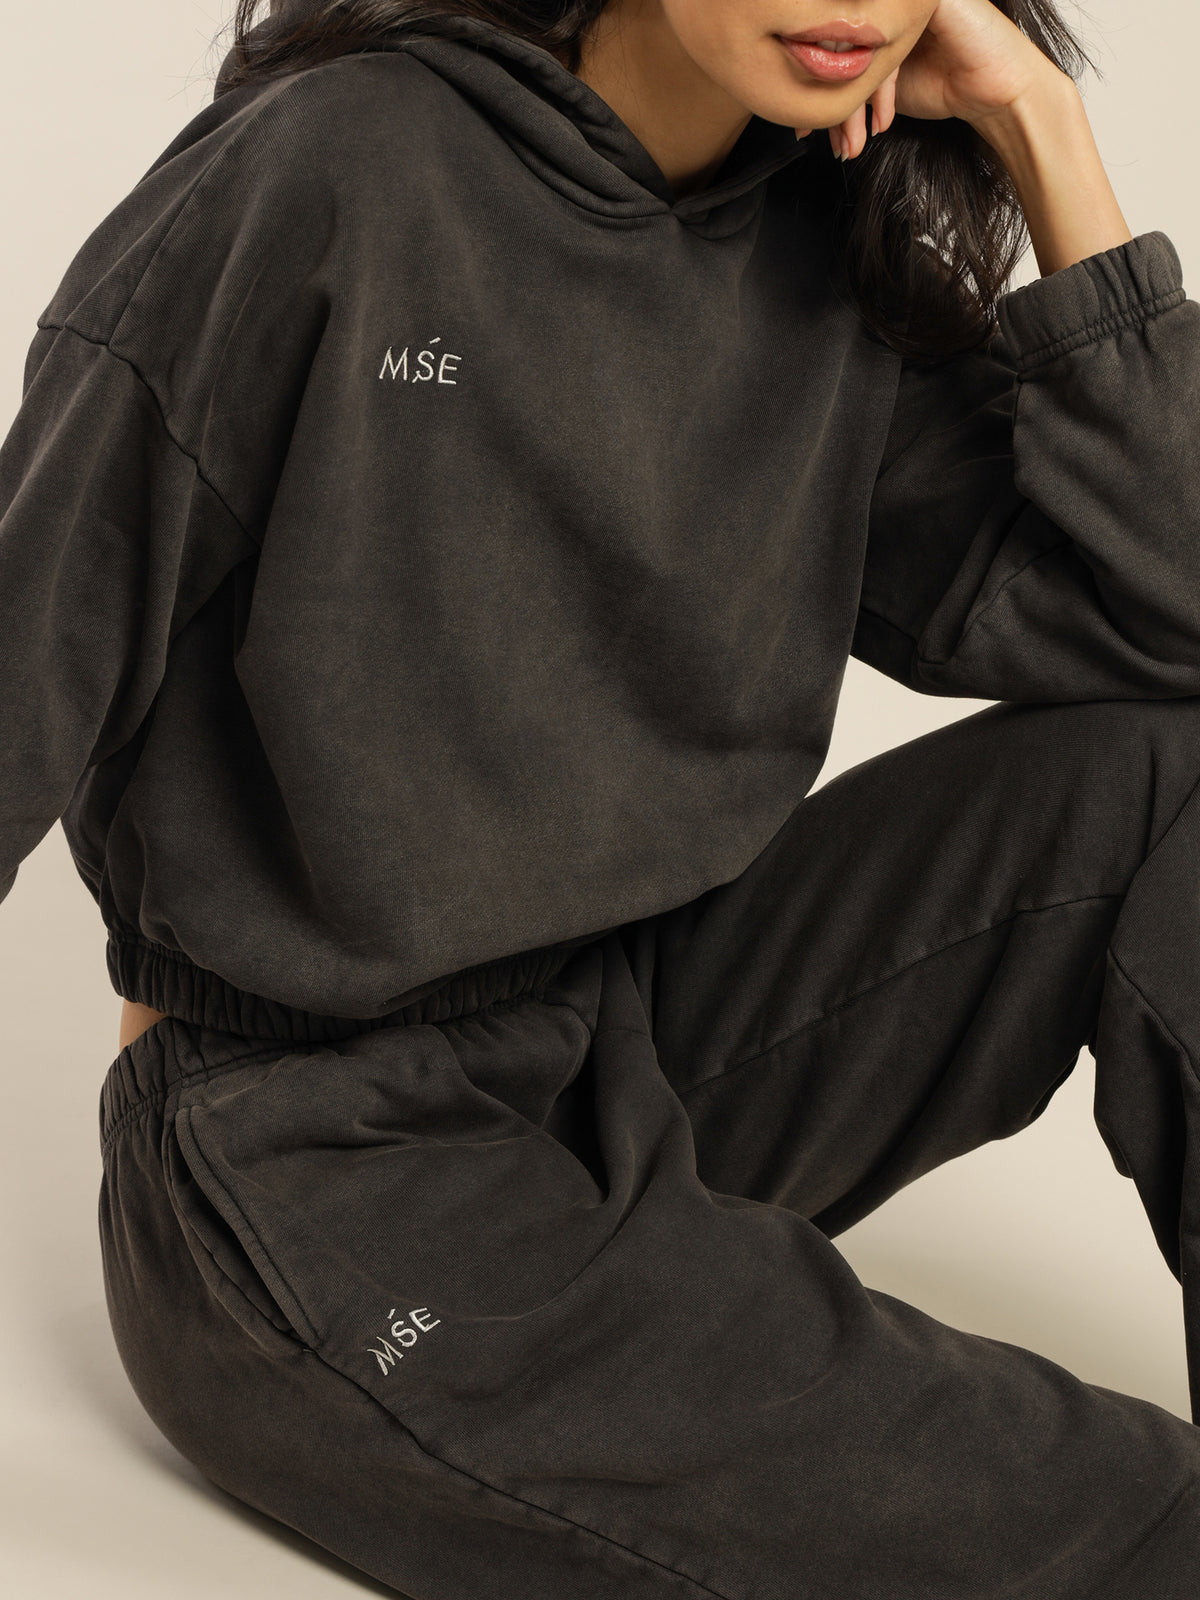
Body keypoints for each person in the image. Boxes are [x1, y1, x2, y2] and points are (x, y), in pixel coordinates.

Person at [5, 0, 1200, 1591]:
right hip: (316, 1162)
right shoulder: (338, 171)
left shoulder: (820, 253)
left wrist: (1045, 133)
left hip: (636, 1056)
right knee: (1130, 1525)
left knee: (1168, 776)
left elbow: (1171, 616)